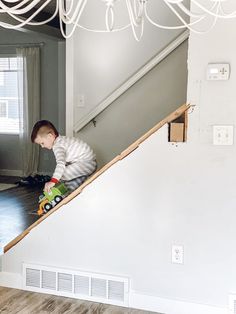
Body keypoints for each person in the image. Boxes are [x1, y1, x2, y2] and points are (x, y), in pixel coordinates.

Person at [31, 120, 97, 192]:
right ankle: (72, 186)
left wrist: (53, 181)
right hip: (87, 162)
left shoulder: (58, 146)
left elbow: (61, 163)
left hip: (87, 163)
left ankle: (67, 190)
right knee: (63, 174)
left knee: (62, 174)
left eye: (42, 143)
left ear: (50, 136)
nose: (42, 146)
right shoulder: (62, 140)